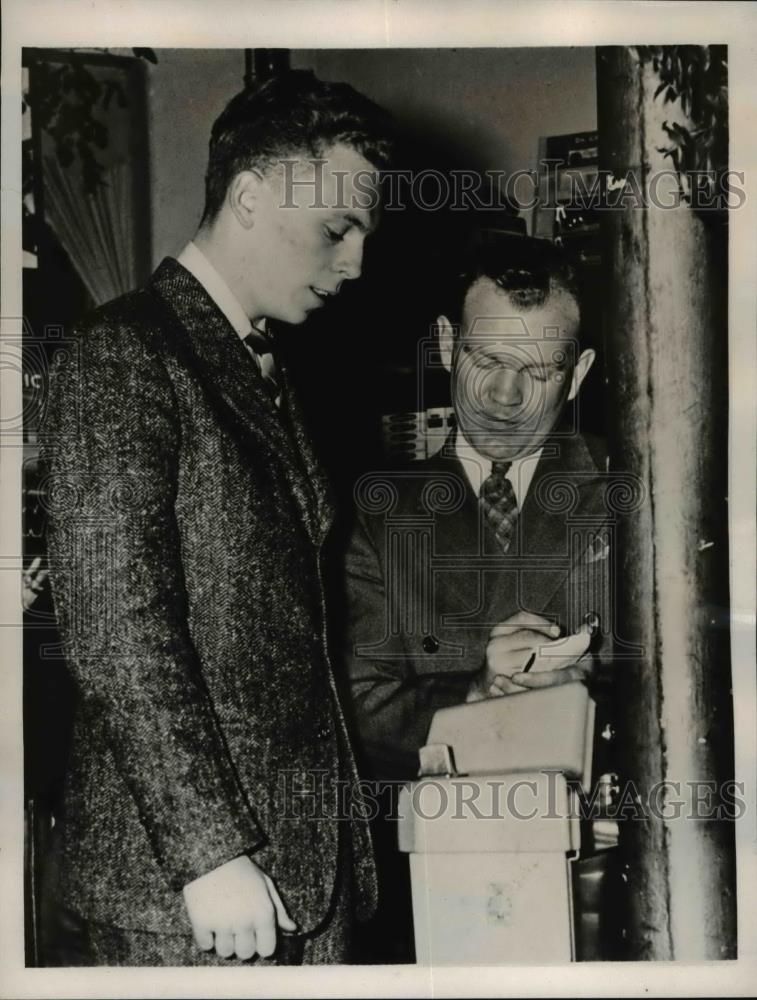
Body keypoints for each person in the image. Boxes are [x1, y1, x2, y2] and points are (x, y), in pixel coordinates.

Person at [40, 70, 393, 967]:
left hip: (303, 873)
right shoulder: (123, 354)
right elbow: (118, 630)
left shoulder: (258, 361)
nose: (354, 264)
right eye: (335, 229)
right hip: (197, 894)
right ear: (246, 197)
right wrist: (209, 854)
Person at [343, 236, 614, 960]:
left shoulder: (635, 500)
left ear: (579, 371)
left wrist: (578, 698)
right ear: (442, 343)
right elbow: (356, 710)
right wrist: (480, 692)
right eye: (485, 361)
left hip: (597, 884)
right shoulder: (373, 516)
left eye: (535, 371)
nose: (500, 397)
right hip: (433, 891)